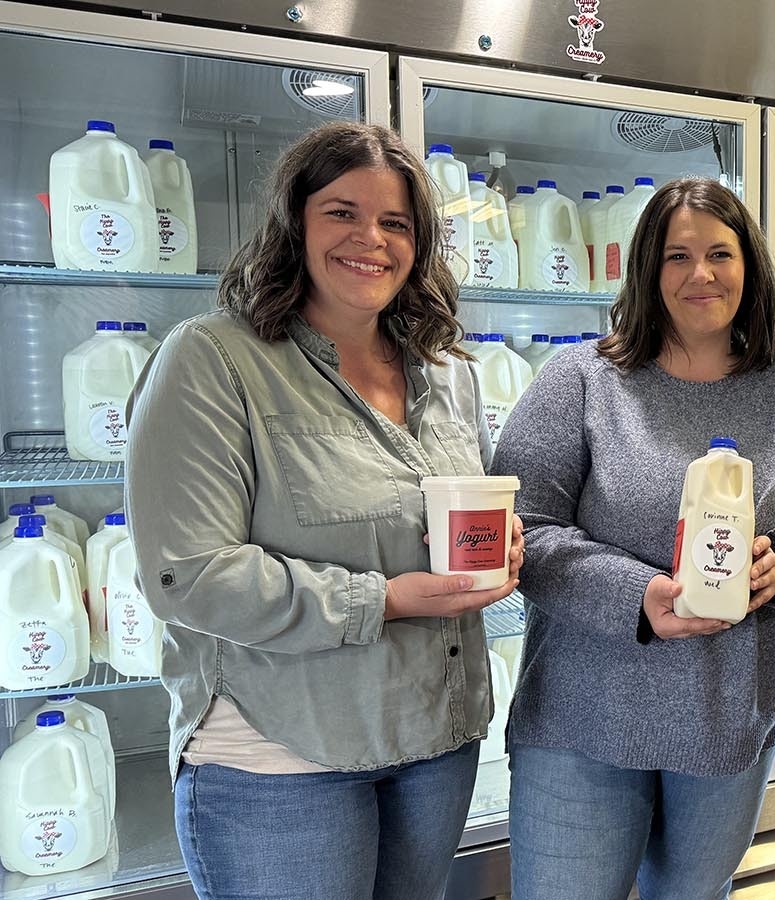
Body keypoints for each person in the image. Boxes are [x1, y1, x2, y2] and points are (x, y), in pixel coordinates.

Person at [125, 121, 522, 900]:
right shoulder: (213, 360)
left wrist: (504, 545)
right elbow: (190, 575)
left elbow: (464, 506)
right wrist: (382, 601)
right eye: (342, 212)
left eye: (396, 222)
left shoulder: (447, 373)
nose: (370, 238)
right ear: (294, 224)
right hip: (281, 754)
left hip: (435, 742)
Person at [490, 177, 775, 899]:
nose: (700, 274)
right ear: (647, 271)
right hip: (582, 722)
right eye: (677, 256)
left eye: (719, 253)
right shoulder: (582, 382)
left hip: (726, 727)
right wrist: (638, 595)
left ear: (749, 267)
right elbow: (522, 531)